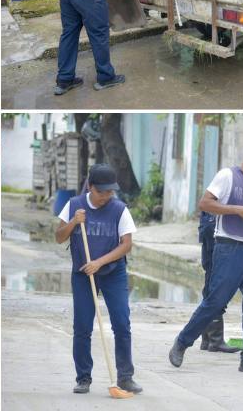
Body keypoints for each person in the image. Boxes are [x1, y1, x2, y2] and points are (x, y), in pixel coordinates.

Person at [169, 141, 243, 374]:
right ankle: (182, 342)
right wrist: (237, 210)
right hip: (229, 248)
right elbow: (205, 203)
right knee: (215, 302)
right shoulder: (228, 176)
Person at [55, 164, 141, 395]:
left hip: (113, 272)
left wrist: (100, 262)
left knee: (122, 323)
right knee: (82, 327)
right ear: (90, 187)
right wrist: (73, 222)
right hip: (83, 273)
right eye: (102, 191)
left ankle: (125, 377)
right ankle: (83, 378)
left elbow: (126, 245)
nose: (107, 196)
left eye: (110, 191)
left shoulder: (119, 209)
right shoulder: (74, 205)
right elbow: (58, 237)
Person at [197, 203, 241, 354]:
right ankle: (215, 340)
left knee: (209, 292)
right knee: (215, 293)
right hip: (215, 256)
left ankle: (207, 339)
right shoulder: (217, 209)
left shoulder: (211, 207)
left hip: (210, 255)